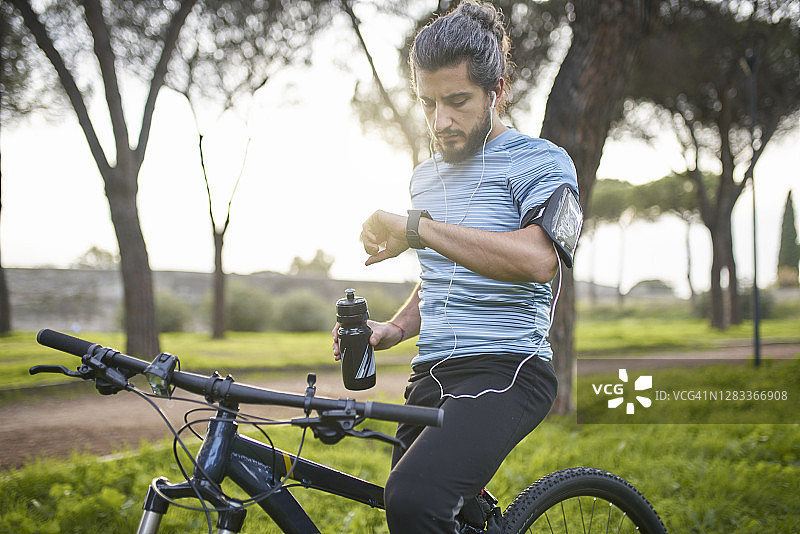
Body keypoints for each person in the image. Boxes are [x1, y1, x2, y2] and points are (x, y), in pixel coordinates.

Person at [332, 1, 580, 532]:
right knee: (416, 514)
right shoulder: (425, 177)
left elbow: (539, 260)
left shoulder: (542, 162)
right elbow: (445, 272)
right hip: (431, 378)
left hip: (508, 370)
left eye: (458, 101)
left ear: (500, 89)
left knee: (414, 500)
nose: (441, 121)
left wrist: (417, 229)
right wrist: (395, 327)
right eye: (428, 104)